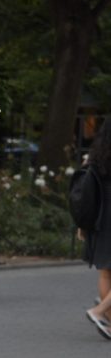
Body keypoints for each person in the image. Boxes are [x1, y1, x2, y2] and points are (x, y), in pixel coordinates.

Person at [80, 119, 111, 339]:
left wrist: (82, 224)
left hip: (101, 221)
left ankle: (107, 320)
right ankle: (99, 311)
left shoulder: (95, 158)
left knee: (106, 272)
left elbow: (86, 195)